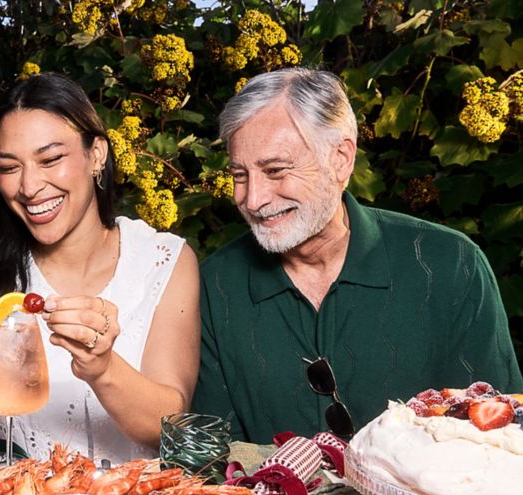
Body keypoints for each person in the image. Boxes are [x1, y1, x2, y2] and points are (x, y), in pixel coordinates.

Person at [191, 67, 523, 443]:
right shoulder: (215, 285)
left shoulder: (451, 264)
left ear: (341, 159)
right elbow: (213, 457)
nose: (253, 199)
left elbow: (501, 441)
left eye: (275, 170)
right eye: (239, 175)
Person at [0, 73, 199, 463]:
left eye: (51, 159)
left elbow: (170, 428)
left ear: (97, 154)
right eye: (10, 167)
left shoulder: (164, 261)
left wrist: (102, 368)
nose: (30, 186)